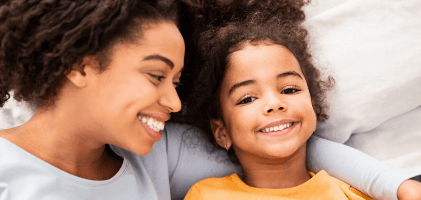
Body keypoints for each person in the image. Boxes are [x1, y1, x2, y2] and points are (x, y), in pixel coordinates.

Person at [0, 0, 419, 200]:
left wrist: (397, 186)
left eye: (177, 82)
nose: (175, 102)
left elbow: (292, 149)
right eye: (156, 75)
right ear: (81, 65)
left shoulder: (160, 157)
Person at [182, 1, 421, 199]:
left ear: (313, 105)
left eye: (289, 90)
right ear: (221, 131)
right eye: (248, 98)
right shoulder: (207, 195)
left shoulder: (351, 192)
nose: (275, 103)